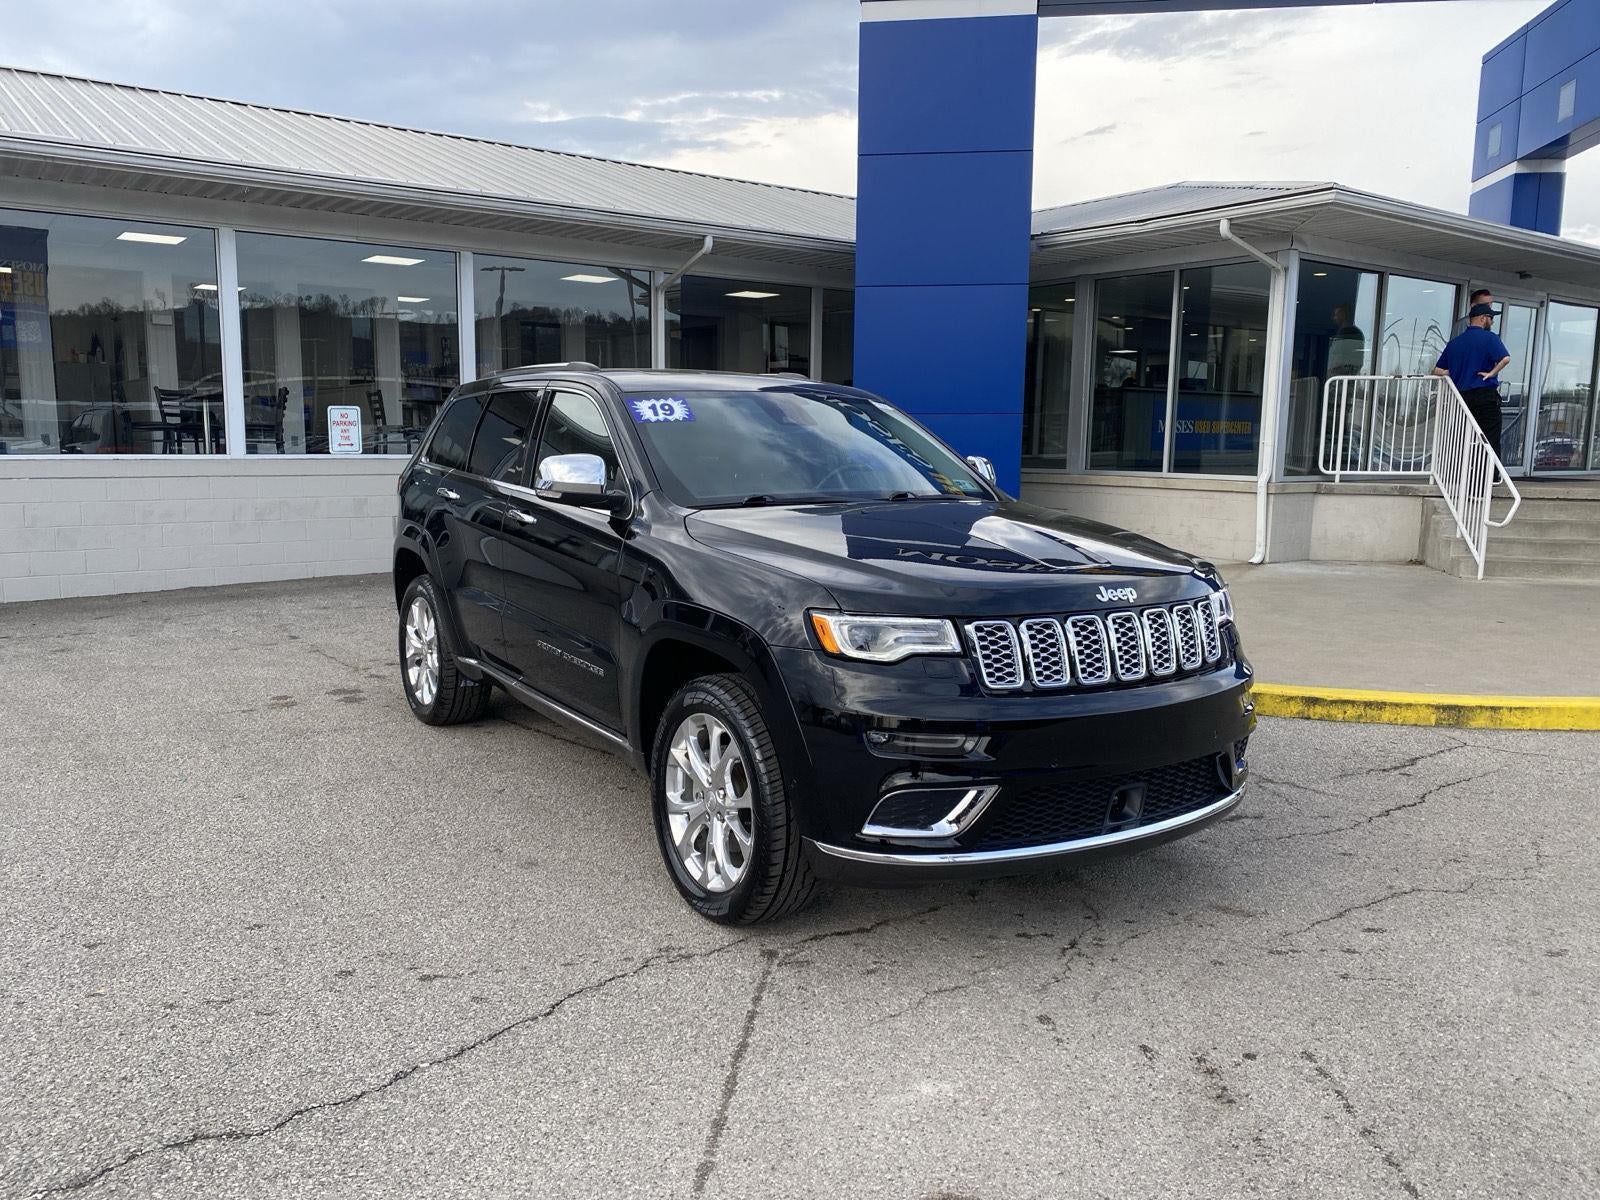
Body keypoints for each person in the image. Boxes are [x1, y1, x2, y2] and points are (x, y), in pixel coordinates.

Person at [1433, 302, 1511, 454]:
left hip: (1461, 398)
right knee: (1489, 440)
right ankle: (1489, 469)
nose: (1492, 322)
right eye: (1491, 318)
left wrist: (1455, 371)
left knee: (1463, 438)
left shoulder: (1455, 343)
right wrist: (1492, 373)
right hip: (1484, 396)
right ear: (1483, 318)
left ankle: (1462, 466)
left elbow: (1437, 370)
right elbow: (1505, 358)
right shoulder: (1490, 338)